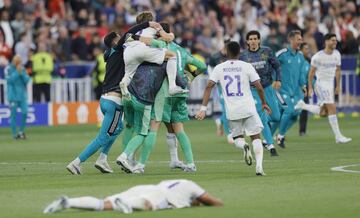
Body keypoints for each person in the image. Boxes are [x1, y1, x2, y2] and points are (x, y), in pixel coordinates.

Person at [66, 21, 164, 175]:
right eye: (120, 38)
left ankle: (102, 159)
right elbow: (129, 33)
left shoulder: (109, 54)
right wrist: (148, 24)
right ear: (115, 42)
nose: (125, 39)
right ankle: (77, 162)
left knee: (117, 128)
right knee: (103, 136)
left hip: (105, 99)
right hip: (114, 102)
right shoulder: (118, 50)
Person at [130, 22, 208, 173]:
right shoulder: (182, 50)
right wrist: (191, 76)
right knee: (179, 129)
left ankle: (140, 165)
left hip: (164, 92)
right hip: (181, 92)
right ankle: (191, 163)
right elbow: (202, 66)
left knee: (153, 127)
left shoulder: (160, 46)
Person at [196, 41, 271, 176]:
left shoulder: (219, 68)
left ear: (227, 52)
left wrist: (203, 108)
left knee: (237, 138)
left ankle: (243, 146)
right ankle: (259, 167)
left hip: (232, 110)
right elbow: (259, 86)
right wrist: (264, 103)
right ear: (239, 53)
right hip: (248, 107)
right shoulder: (247, 66)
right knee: (256, 137)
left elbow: (208, 86)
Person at [43, 179, 223, 214]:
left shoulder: (178, 183)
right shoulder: (191, 186)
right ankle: (127, 204)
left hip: (145, 187)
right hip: (160, 195)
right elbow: (212, 202)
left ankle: (67, 202)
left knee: (104, 204)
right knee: (146, 204)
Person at [294, 33, 351, 143]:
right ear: (326, 42)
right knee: (332, 107)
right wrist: (310, 87)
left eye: (335, 40)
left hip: (330, 85)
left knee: (324, 112)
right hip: (320, 84)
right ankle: (338, 136)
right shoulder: (318, 56)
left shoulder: (337, 54)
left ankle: (303, 105)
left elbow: (338, 70)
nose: (334, 42)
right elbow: (311, 73)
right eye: (332, 40)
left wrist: (338, 86)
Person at [119, 11, 187, 99]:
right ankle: (172, 86)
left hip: (128, 51)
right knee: (172, 55)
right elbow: (167, 38)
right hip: (142, 48)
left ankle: (124, 83)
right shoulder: (154, 26)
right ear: (151, 20)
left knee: (128, 74)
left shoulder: (133, 30)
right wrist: (171, 35)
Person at [240, 30, 281, 156]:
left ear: (259, 40)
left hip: (268, 87)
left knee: (276, 117)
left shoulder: (267, 51)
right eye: (250, 39)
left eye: (255, 39)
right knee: (263, 117)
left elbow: (277, 66)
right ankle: (270, 145)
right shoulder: (243, 56)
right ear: (247, 41)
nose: (253, 41)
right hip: (253, 90)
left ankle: (265, 129)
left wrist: (278, 80)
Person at [273, 30, 307, 148]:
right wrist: (274, 80)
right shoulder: (282, 53)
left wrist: (303, 85)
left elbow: (301, 73)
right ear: (291, 40)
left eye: (301, 39)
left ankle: (272, 137)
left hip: (294, 91)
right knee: (289, 110)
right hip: (281, 90)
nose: (300, 41)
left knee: (294, 116)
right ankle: (280, 136)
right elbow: (270, 64)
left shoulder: (300, 56)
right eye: (298, 39)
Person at [208, 41, 234, 144]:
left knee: (230, 109)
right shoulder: (215, 57)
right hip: (221, 86)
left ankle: (220, 121)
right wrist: (212, 78)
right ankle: (229, 135)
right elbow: (209, 67)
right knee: (226, 109)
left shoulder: (231, 56)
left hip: (232, 87)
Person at [5, 55, 31, 139]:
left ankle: (21, 132)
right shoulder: (8, 69)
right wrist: (17, 72)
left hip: (22, 95)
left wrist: (22, 73)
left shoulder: (22, 69)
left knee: (25, 112)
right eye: (17, 62)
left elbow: (27, 80)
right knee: (13, 115)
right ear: (14, 61)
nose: (19, 63)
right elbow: (9, 80)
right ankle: (14, 134)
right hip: (13, 95)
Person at [298, 42, 311, 136]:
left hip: (305, 88)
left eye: (308, 48)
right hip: (294, 88)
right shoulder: (297, 59)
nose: (308, 50)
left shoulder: (309, 60)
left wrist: (310, 88)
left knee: (304, 110)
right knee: (287, 111)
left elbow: (310, 76)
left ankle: (302, 131)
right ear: (301, 50)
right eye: (306, 49)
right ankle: (281, 133)